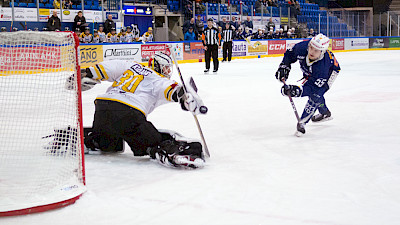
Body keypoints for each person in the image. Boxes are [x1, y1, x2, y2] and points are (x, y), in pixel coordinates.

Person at [80, 52, 205, 169]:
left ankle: (90, 140)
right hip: (128, 112)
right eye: (165, 67)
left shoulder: (132, 66)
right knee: (152, 141)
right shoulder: (160, 80)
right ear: (157, 66)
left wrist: (89, 72)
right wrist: (185, 98)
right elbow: (173, 91)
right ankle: (166, 152)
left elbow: (111, 67)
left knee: (109, 145)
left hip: (103, 107)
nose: (168, 71)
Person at [275, 34, 341, 136]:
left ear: (322, 51)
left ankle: (303, 121)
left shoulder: (323, 68)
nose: (311, 52)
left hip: (330, 72)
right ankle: (325, 112)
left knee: (316, 95)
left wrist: (297, 91)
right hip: (311, 70)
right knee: (316, 93)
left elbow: (314, 89)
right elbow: (289, 54)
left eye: (316, 50)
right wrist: (284, 66)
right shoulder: (302, 47)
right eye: (311, 47)